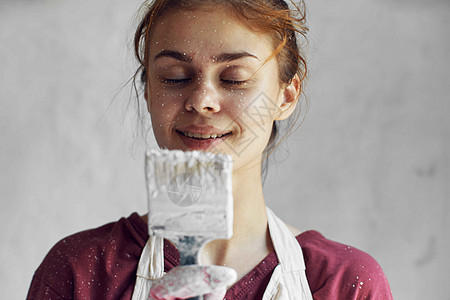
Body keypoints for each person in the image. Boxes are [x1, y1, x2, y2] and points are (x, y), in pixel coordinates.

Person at [27, 0, 393, 299]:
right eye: (175, 77)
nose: (201, 100)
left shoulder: (343, 283)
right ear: (148, 91)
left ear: (286, 95)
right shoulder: (78, 270)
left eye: (235, 79)